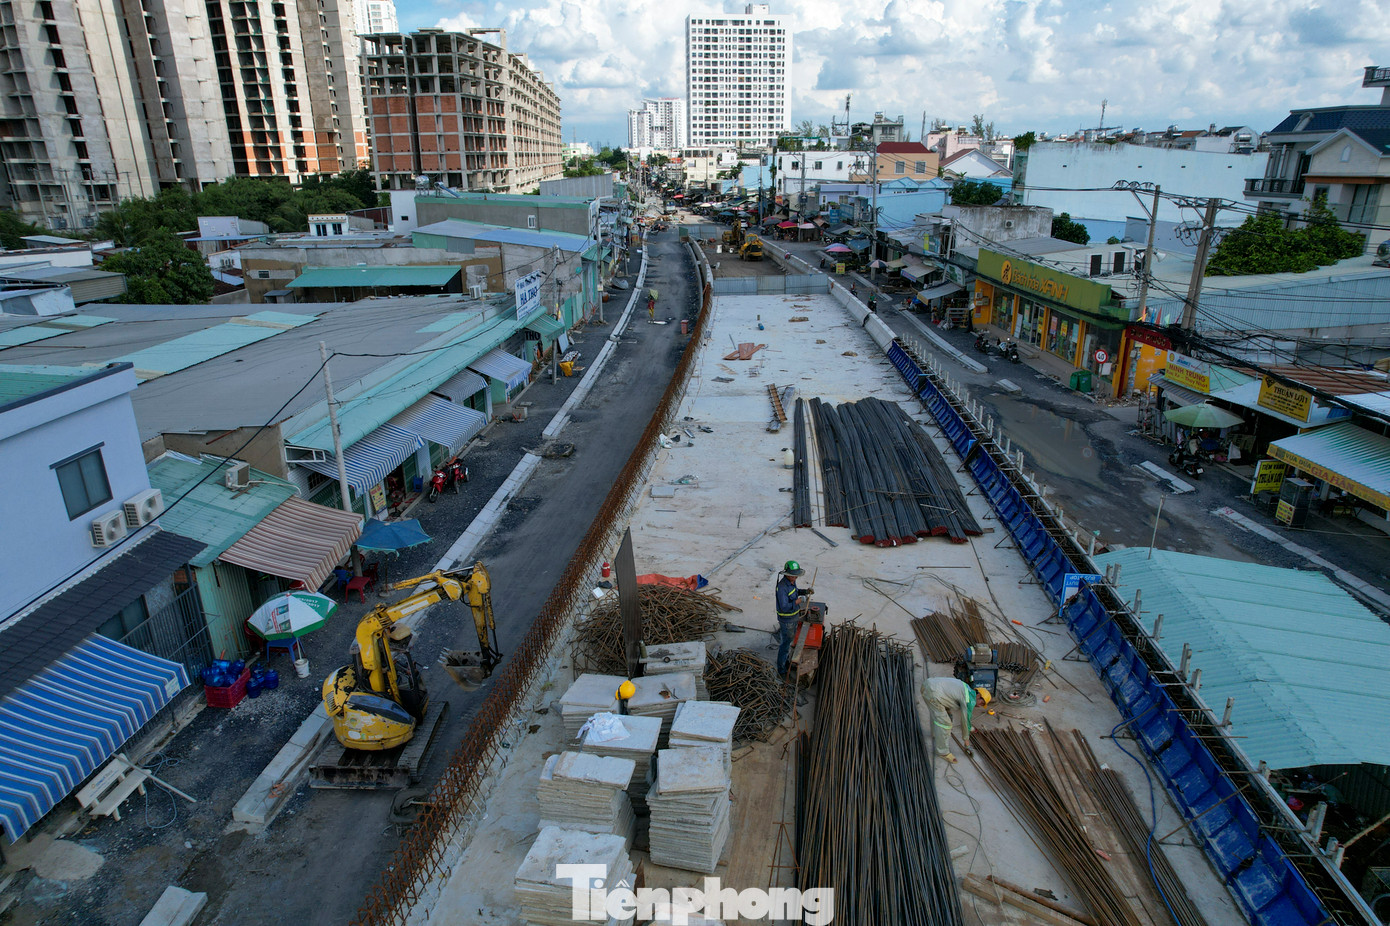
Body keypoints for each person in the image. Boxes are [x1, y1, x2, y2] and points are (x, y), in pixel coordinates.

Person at [922, 675, 991, 763]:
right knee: (946, 724)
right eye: (982, 703)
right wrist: (966, 743)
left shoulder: (967, 688)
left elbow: (950, 695)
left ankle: (935, 733)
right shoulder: (970, 701)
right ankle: (943, 752)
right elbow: (965, 721)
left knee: (940, 714)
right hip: (933, 694)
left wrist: (970, 728)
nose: (980, 706)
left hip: (928, 685)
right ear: (978, 695)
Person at [775, 560, 812, 678]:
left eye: (796, 576)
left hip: (794, 617)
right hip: (787, 621)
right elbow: (784, 607)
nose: (795, 578)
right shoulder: (782, 588)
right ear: (787, 574)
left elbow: (795, 591)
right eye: (793, 576)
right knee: (785, 645)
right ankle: (781, 669)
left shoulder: (791, 582)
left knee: (789, 642)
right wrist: (798, 601)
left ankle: (786, 661)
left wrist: (805, 591)